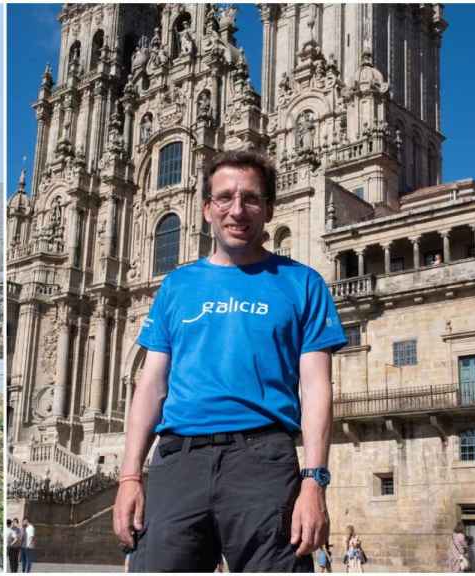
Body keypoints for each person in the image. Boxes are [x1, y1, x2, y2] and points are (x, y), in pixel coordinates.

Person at [113, 150, 346, 572]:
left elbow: (316, 388)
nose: (237, 210)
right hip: (178, 461)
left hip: (264, 461)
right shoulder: (176, 285)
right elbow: (150, 385)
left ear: (269, 209)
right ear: (206, 209)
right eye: (224, 198)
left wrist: (314, 481)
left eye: (251, 198)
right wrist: (130, 477)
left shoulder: (304, 283)